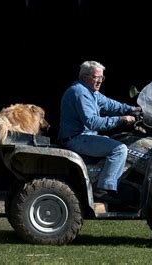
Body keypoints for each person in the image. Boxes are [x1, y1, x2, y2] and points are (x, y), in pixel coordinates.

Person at [58, 60, 141, 205]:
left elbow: (110, 104)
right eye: (97, 77)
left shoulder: (92, 92)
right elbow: (93, 122)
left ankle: (106, 181)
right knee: (119, 149)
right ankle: (103, 190)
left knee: (121, 140)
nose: (100, 81)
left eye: (102, 77)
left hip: (85, 136)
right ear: (85, 77)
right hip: (76, 138)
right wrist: (121, 119)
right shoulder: (80, 92)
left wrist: (133, 109)